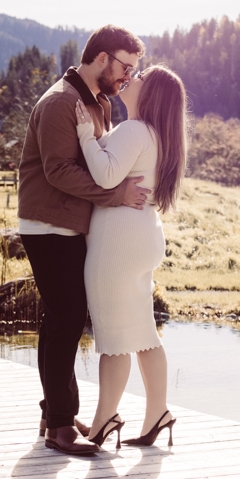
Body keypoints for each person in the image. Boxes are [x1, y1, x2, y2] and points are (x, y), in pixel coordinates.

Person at [17, 27, 149, 455]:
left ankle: (54, 412)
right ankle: (59, 427)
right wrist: (118, 194)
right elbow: (59, 172)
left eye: (134, 70)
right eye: (125, 67)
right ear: (103, 58)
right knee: (66, 319)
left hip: (67, 226)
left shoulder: (95, 102)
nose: (128, 77)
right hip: (50, 227)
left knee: (62, 321)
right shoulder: (61, 102)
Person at [74, 64, 188, 448]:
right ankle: (158, 412)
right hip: (143, 238)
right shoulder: (158, 136)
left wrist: (86, 136)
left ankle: (103, 421)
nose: (131, 79)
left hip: (117, 244)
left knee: (113, 336)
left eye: (139, 78)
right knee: (142, 331)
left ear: (150, 94)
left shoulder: (135, 130)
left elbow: (105, 175)